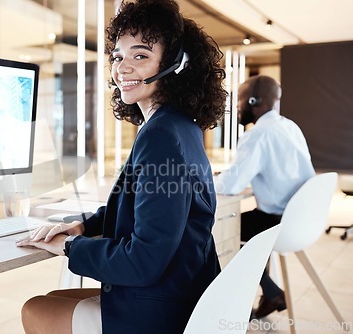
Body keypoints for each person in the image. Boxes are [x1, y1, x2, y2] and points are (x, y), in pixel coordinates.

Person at [17, 0, 227, 333]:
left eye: (140, 56)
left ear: (176, 65)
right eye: (118, 56)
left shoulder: (161, 137)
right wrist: (84, 227)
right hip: (185, 293)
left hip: (163, 313)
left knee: (34, 310)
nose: (122, 68)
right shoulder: (181, 126)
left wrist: (71, 248)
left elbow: (144, 260)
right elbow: (147, 209)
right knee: (54, 297)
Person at [214, 75, 315, 319]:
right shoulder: (289, 126)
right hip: (302, 218)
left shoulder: (258, 134)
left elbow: (231, 185)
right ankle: (269, 293)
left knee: (220, 233)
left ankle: (238, 304)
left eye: (239, 100)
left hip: (279, 222)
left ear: (253, 100)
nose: (237, 107)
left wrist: (208, 177)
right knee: (250, 228)